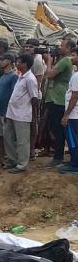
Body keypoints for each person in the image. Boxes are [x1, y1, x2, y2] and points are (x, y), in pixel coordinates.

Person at [4, 54, 41, 173]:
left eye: (19, 61)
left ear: (25, 64)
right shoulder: (20, 76)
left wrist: (34, 117)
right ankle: (12, 159)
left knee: (22, 141)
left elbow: (34, 98)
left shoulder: (30, 79)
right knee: (7, 137)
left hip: (22, 114)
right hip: (11, 113)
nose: (16, 63)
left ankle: (22, 164)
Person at [43, 38, 75, 167]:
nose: (59, 47)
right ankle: (59, 156)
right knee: (57, 129)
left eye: (62, 46)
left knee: (58, 129)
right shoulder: (64, 61)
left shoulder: (65, 61)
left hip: (58, 99)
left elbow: (49, 75)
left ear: (68, 49)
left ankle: (58, 157)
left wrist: (49, 62)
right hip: (56, 98)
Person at [0, 52, 18, 174]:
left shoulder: (13, 76)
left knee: (8, 137)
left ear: (9, 61)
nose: (0, 62)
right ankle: (2, 159)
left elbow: (13, 95)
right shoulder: (2, 76)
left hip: (6, 111)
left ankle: (12, 159)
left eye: (2, 60)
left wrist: (9, 111)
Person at [59, 46, 78, 174]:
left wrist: (66, 115)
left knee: (72, 140)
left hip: (74, 114)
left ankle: (74, 164)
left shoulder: (76, 76)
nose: (71, 58)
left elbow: (74, 96)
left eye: (74, 55)